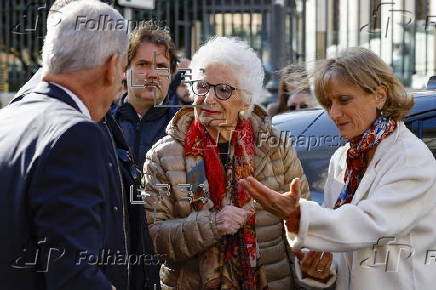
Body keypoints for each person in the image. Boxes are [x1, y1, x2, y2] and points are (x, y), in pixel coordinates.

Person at [240, 47, 436, 290]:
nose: (333, 113)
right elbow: (342, 248)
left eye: (344, 100)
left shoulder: (411, 157)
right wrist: (321, 270)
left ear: (380, 96)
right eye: (328, 102)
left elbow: (370, 225)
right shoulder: (343, 158)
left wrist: (297, 215)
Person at [8, 1, 161, 289]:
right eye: (126, 67)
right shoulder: (76, 134)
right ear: (112, 66)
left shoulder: (9, 118)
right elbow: (74, 275)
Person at [142, 36, 311, 290]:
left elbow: (305, 222)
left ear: (246, 100)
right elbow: (152, 238)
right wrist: (213, 224)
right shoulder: (164, 156)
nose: (208, 99)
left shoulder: (275, 148)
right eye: (201, 86)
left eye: (223, 90)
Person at [112, 20, 179, 169]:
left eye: (161, 66)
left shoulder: (186, 130)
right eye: (143, 64)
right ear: (124, 70)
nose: (153, 74)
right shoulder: (104, 125)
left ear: (171, 74)